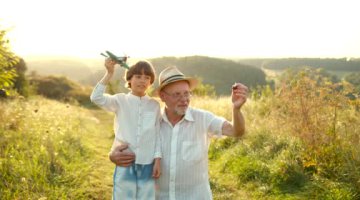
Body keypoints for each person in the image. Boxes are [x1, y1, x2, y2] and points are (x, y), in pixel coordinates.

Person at [109, 66, 248, 200]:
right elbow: (131, 142)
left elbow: (236, 131)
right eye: (177, 94)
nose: (184, 99)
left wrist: (236, 109)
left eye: (187, 93)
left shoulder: (203, 118)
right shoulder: (151, 123)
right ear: (163, 96)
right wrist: (113, 154)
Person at [90, 58, 162, 200]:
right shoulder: (120, 100)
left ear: (150, 82)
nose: (142, 80)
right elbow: (96, 98)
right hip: (125, 161)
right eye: (138, 76)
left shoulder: (154, 105)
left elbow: (158, 133)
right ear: (129, 79)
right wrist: (109, 73)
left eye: (147, 77)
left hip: (148, 163)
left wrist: (158, 160)